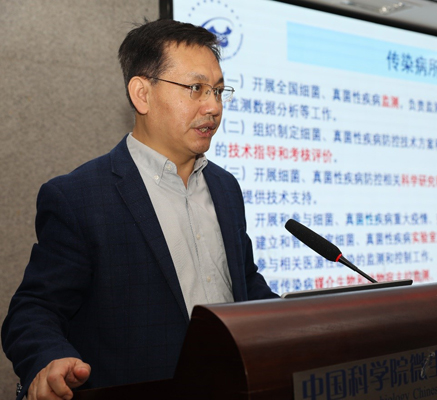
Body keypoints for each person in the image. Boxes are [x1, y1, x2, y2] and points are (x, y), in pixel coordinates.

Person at [2, 18, 278, 400]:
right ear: (142, 94)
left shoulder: (225, 188)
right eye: (196, 88)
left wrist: (297, 325)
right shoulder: (79, 197)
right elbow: (34, 310)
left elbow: (243, 283)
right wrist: (49, 359)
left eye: (218, 90)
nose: (213, 106)